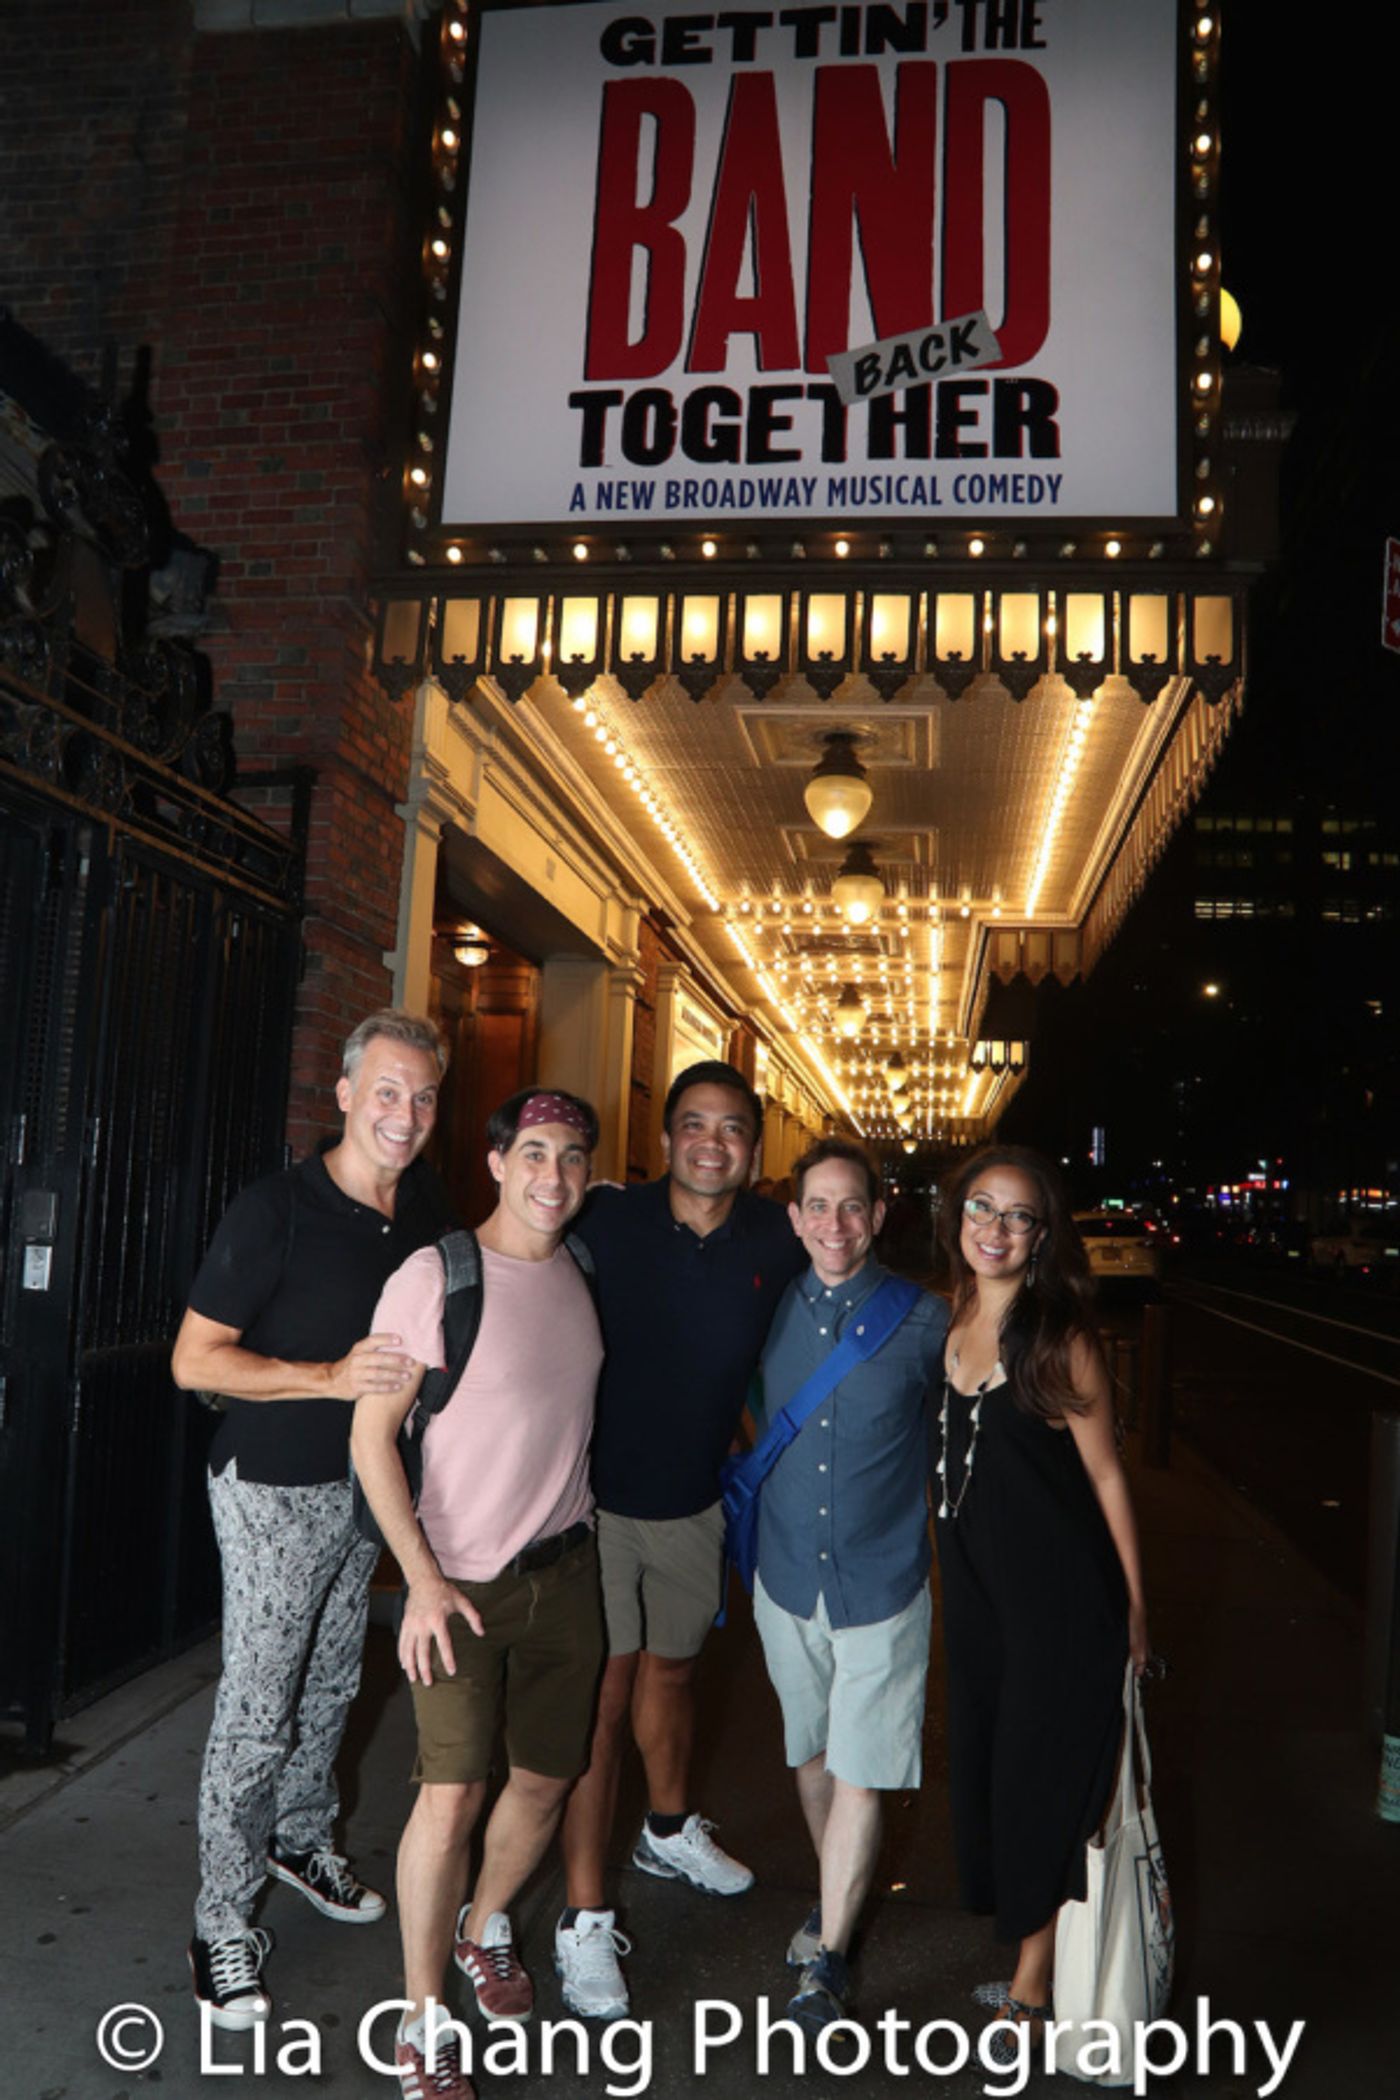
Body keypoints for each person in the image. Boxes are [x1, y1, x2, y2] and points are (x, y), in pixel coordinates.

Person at [171, 1009, 452, 2031]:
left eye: (422, 1096)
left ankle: (298, 1839)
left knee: (334, 1681)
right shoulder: (275, 1209)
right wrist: (326, 1378)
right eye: (385, 1090)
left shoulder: (422, 1209)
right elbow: (195, 1360)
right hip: (272, 1489)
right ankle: (219, 1924)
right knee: (259, 1708)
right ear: (342, 1094)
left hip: (367, 1493)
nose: (404, 1113)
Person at [351, 1088, 605, 2100]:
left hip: (567, 1574)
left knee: (545, 1779)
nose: (554, 1176)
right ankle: (421, 2018)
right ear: (497, 1162)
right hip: (454, 1585)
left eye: (572, 1157)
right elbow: (371, 1440)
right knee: (449, 1799)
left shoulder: (582, 1270)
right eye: (533, 1152)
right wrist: (416, 1583)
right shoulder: (436, 1274)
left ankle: (479, 1924)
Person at [553, 1060, 806, 2018]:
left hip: (696, 1506)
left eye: (733, 1128)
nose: (712, 1142)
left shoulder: (774, 1242)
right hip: (597, 1505)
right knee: (604, 1701)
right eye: (694, 1125)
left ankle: (665, 1829)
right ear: (665, 1140)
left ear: (753, 1148)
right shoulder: (605, 1220)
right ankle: (582, 1918)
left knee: (672, 1674)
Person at [932, 1145, 1150, 2064]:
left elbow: (1105, 1476)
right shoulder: (945, 1318)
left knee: (1038, 1782)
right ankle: (1031, 1951)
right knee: (989, 1766)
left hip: (1061, 1601)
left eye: (1018, 1216)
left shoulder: (1062, 1337)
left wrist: (1138, 1613)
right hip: (981, 1599)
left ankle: (1030, 1986)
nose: (997, 1228)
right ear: (958, 1217)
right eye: (983, 1207)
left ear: (1042, 1234)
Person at [752, 1137, 949, 2032]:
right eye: (817, 1207)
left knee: (863, 1770)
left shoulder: (923, 1321)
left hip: (883, 1581)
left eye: (853, 1207)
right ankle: (839, 1893)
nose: (835, 1224)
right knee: (813, 1756)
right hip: (786, 1577)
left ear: (879, 1215)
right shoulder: (763, 1308)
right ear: (794, 1219)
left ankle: (827, 1959)